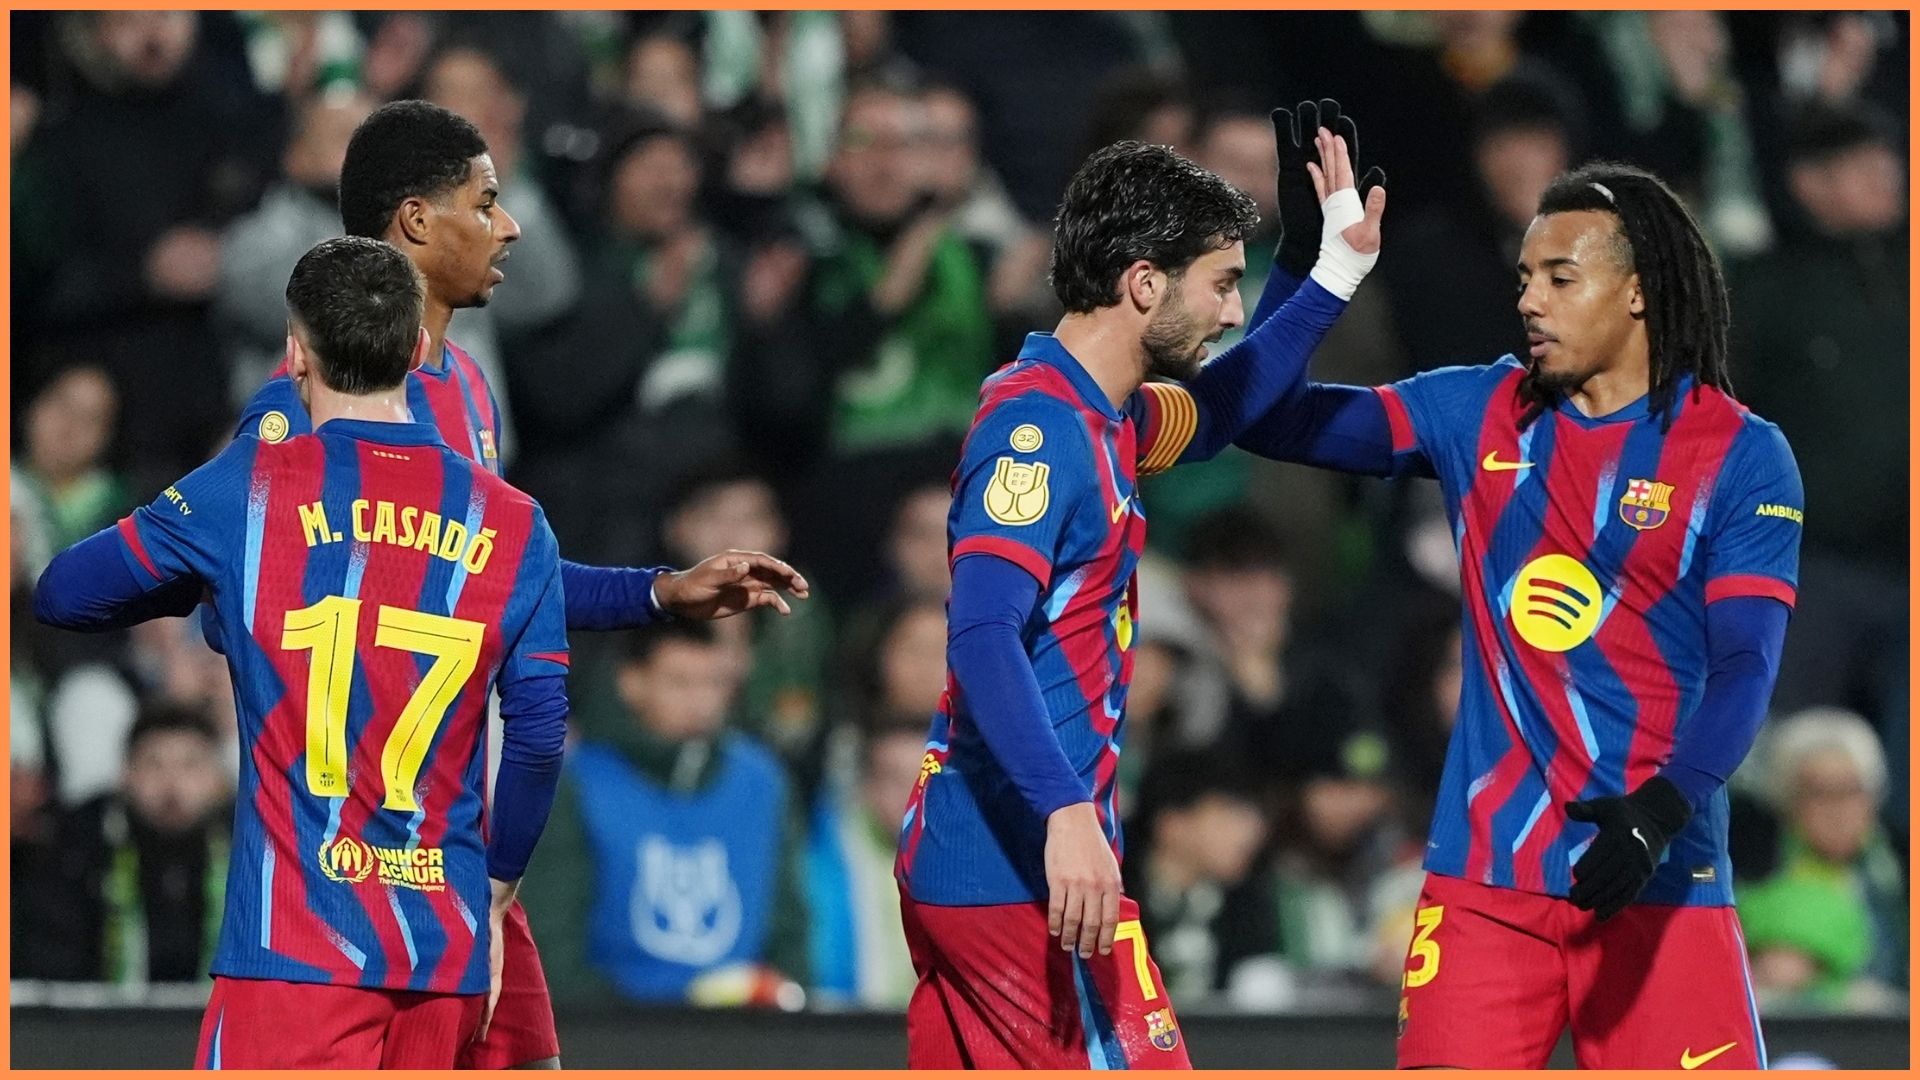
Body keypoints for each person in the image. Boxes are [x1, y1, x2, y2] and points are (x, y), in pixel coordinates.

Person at [209, 99, 812, 1070]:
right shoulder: (300, 406)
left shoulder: (468, 390)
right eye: (487, 202)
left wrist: (660, 595)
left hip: (464, 839)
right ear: (414, 221)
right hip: (354, 867)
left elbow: (503, 584)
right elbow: (231, 591)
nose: (513, 225)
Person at [1229, 150, 1803, 1066]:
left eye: (1561, 277)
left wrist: (1663, 810)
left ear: (1641, 291)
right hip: (1484, 884)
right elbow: (1261, 417)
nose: (1530, 300)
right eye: (1525, 277)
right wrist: (1316, 269)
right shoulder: (1478, 410)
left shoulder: (1740, 454)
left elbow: (1746, 666)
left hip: (1654, 868)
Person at [895, 109, 1385, 1068]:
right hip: (1014, 859)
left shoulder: (1104, 416)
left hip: (1021, 854)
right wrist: (1067, 814)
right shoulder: (1034, 433)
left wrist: (1326, 271)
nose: (1234, 312)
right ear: (1144, 283)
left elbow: (1231, 406)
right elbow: (983, 635)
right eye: (1224, 284)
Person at [34, 237, 571, 1067]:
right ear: (420, 350)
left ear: (294, 354)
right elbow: (536, 739)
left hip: (296, 954)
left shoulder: (249, 488)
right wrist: (496, 894)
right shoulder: (513, 521)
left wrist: (217, 577)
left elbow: (67, 592)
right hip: (446, 957)